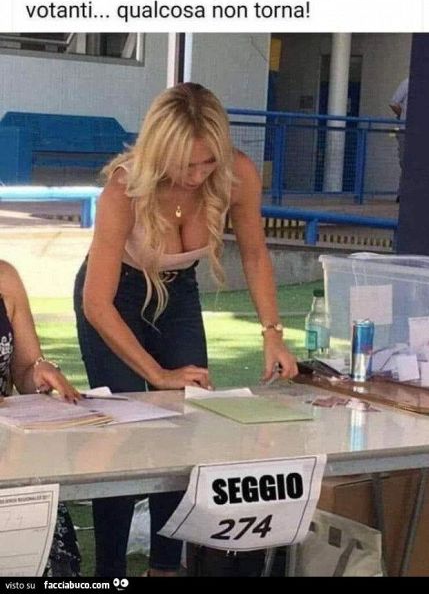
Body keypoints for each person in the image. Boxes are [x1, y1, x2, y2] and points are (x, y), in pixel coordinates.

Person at [73, 82, 299, 577]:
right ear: (160, 151)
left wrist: (272, 332)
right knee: (123, 432)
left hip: (177, 293)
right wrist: (158, 374)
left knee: (184, 427)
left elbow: (255, 253)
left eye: (208, 162)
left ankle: (165, 567)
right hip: (114, 297)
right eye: (186, 165)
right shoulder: (123, 189)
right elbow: (96, 303)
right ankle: (108, 573)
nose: (198, 176)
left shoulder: (236, 174)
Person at [0, 259, 82, 576]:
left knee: (52, 562)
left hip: (11, 458)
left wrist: (39, 372)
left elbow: (25, 368)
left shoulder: (5, 277)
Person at [389, 77, 409, 201]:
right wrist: (402, 115)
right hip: (404, 129)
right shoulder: (407, 82)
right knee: (405, 162)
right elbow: (393, 103)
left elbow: (393, 103)